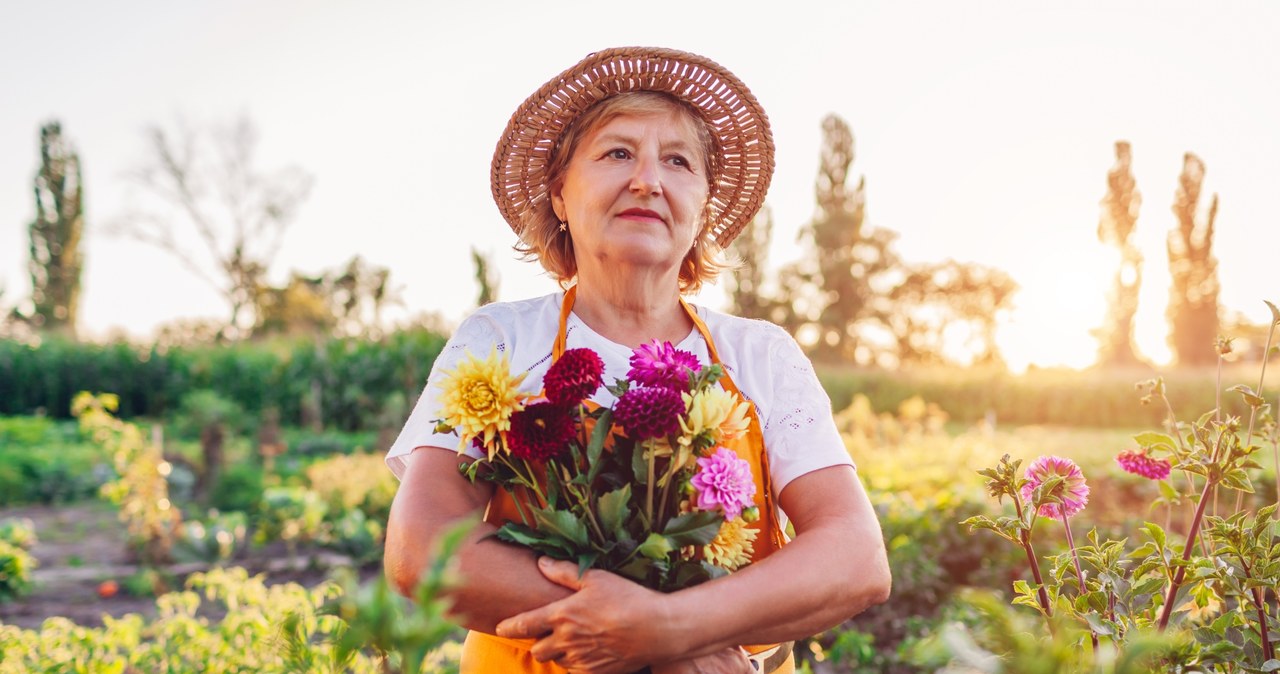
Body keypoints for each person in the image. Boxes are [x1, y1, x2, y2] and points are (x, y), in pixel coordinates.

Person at [384, 47, 891, 674]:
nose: (647, 180)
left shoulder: (761, 355)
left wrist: (673, 629)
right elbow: (423, 548)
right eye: (617, 153)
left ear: (703, 206)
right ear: (561, 196)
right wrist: (647, 634)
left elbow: (856, 558)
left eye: (677, 161)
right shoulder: (500, 339)